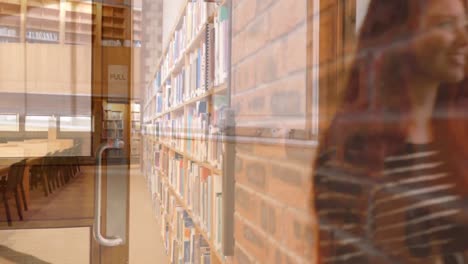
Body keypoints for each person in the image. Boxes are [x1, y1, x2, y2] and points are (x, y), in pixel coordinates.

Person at [312, 0, 468, 263]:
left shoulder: (458, 139)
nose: (464, 38)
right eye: (445, 24)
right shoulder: (350, 154)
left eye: (465, 24)